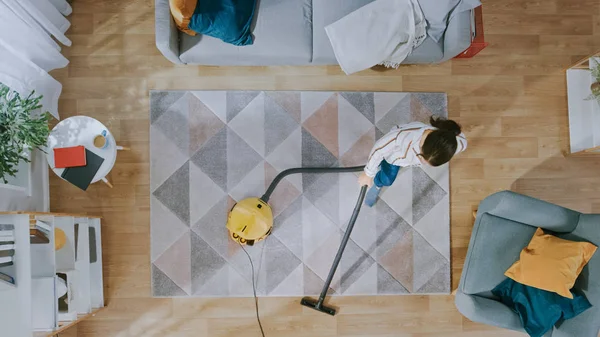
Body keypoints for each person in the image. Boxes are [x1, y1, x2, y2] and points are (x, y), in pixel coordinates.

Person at [358, 117, 467, 206]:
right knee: (387, 180)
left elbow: (462, 141)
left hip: (407, 159)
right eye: (422, 157)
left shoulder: (455, 144)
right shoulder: (401, 137)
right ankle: (378, 184)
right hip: (394, 158)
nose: (423, 163)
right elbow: (378, 149)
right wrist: (368, 174)